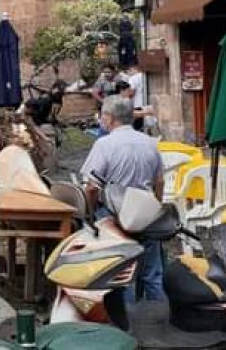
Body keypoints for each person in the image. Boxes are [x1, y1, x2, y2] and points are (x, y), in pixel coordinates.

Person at [79, 96, 165, 302]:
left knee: (120, 272)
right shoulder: (150, 143)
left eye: (102, 116)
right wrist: (156, 210)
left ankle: (126, 320)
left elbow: (92, 187)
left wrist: (88, 216)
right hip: (146, 214)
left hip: (114, 215)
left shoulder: (104, 145)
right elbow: (159, 182)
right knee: (153, 274)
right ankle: (161, 320)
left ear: (109, 118)